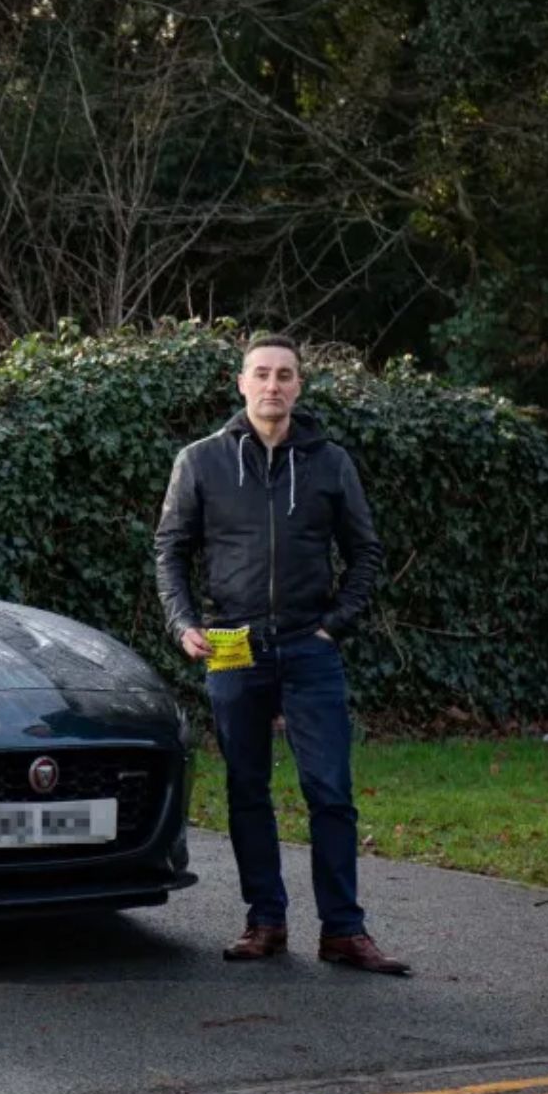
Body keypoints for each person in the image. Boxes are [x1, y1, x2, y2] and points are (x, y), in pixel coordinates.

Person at [153, 333, 408, 976]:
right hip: (232, 645)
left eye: (285, 375)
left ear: (299, 386)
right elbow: (171, 550)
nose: (273, 385)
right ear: (241, 383)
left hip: (308, 647)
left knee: (331, 792)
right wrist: (183, 622)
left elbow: (366, 552)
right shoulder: (201, 461)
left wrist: (334, 626)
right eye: (261, 374)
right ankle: (265, 921)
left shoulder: (330, 463)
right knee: (247, 790)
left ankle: (343, 931)